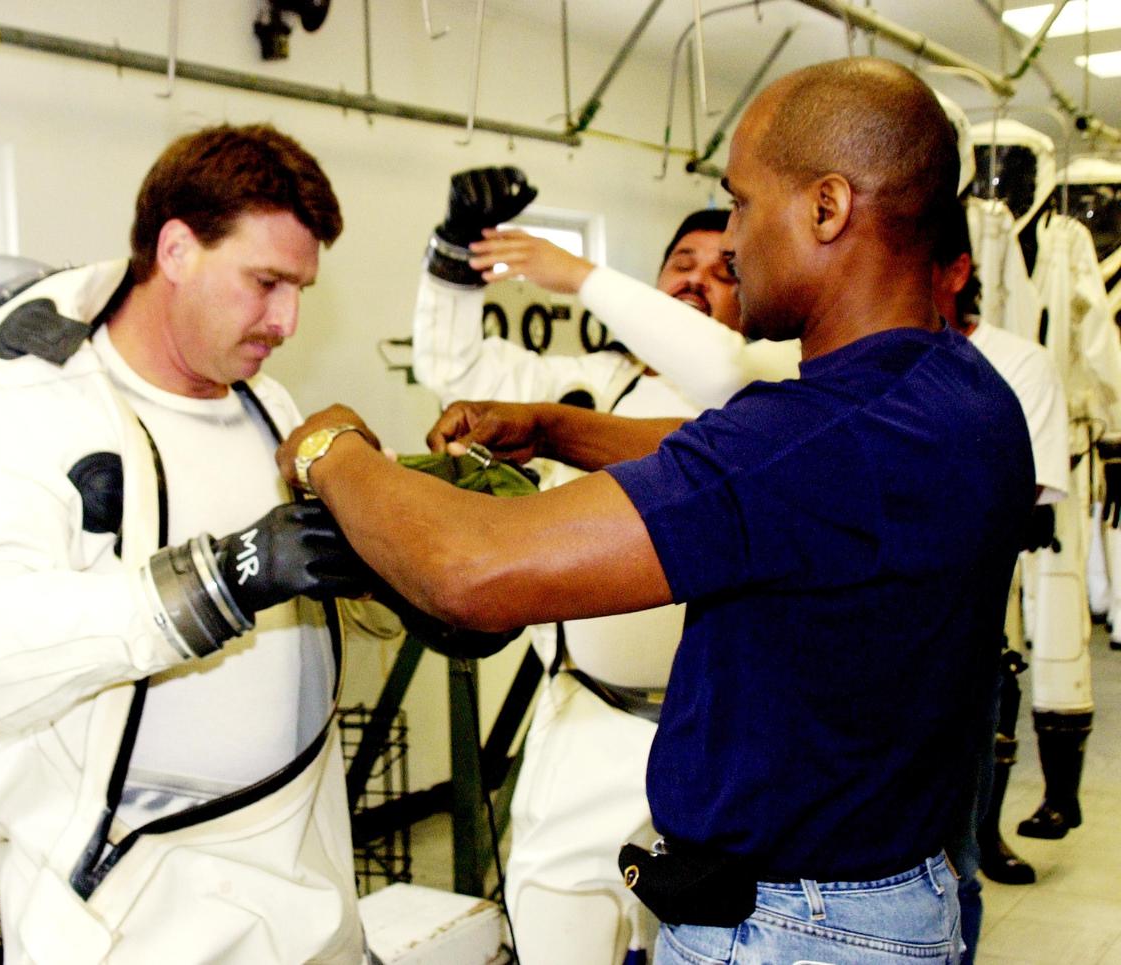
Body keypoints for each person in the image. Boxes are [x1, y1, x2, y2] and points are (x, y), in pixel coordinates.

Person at [279, 58, 1035, 964]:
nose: (733, 242)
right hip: (898, 892)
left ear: (828, 209)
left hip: (793, 931)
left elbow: (469, 567)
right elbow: (737, 467)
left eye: (743, 206)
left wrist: (332, 448)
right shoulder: (960, 391)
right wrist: (560, 426)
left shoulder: (816, 437)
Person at [0, 125, 375, 963]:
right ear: (177, 248)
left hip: (297, 880)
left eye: (301, 289)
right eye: (266, 282)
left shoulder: (272, 409)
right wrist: (219, 579)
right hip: (127, 910)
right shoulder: (22, 409)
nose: (288, 319)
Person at [414, 182, 797, 964]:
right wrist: (457, 248)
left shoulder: (776, 393)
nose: (696, 277)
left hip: (724, 737)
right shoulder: (594, 383)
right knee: (556, 918)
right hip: (589, 718)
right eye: (679, 263)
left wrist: (579, 274)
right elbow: (451, 364)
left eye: (723, 266)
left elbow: (731, 376)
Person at [932, 202, 1070, 963]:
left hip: (959, 636)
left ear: (958, 272)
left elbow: (1024, 504)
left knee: (953, 861)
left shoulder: (1014, 365)